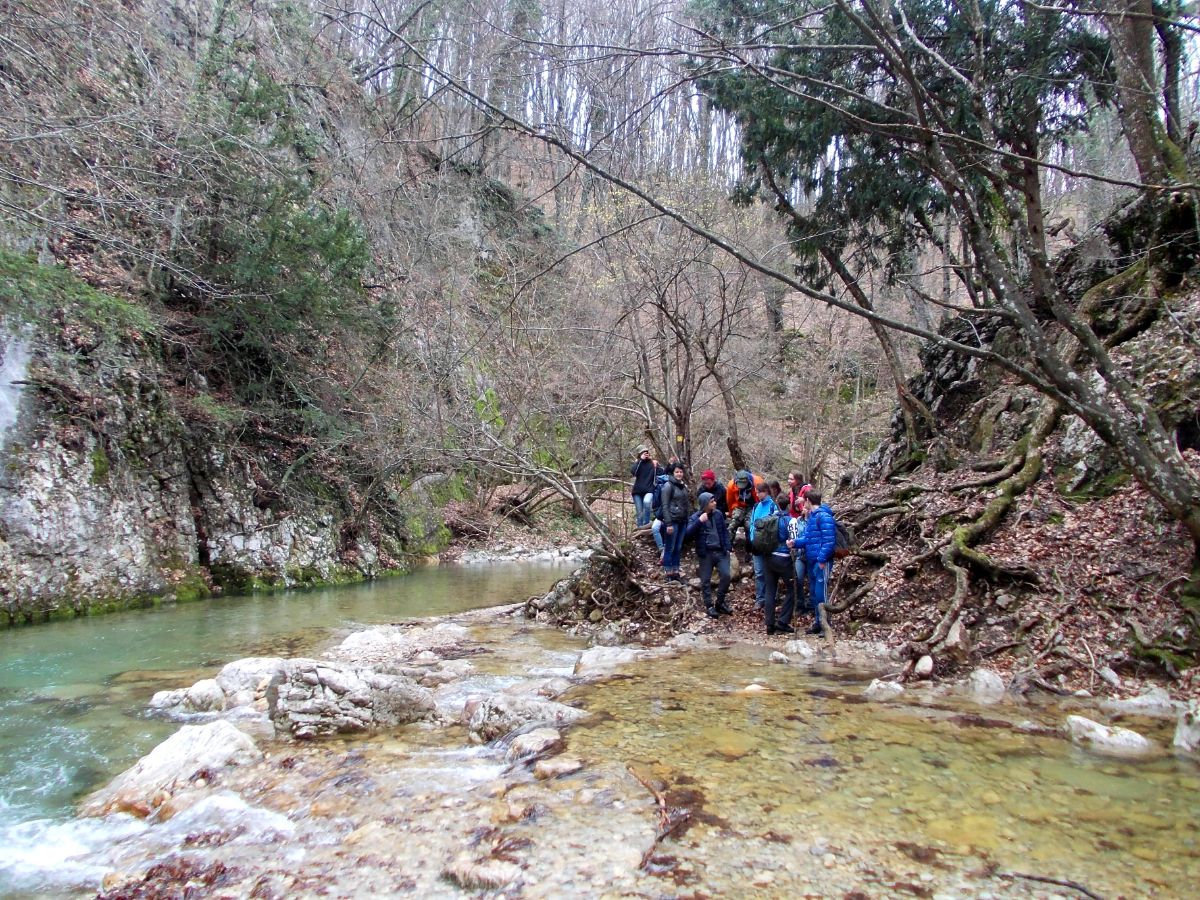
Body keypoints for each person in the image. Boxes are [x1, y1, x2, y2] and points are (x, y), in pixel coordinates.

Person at [685, 491, 732, 618]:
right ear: (705, 504)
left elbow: (724, 532)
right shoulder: (696, 517)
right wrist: (699, 521)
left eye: (714, 501)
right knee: (705, 581)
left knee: (726, 576)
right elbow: (687, 534)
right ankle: (709, 605)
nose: (715, 503)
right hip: (705, 553)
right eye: (712, 502)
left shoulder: (718, 515)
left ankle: (720, 602)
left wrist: (728, 547)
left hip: (720, 551)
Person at [798, 490, 837, 635]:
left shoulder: (824, 516)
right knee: (814, 593)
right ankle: (817, 622)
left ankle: (825, 624)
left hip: (821, 561)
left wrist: (822, 559)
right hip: (812, 560)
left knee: (821, 593)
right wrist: (794, 543)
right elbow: (808, 539)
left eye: (804, 500)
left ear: (808, 500)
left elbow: (829, 541)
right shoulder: (812, 517)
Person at [761, 495, 797, 635]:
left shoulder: (769, 519)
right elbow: (794, 542)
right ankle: (783, 621)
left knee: (770, 590)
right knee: (793, 587)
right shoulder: (791, 520)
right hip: (784, 559)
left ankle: (769, 624)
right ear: (789, 504)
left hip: (768, 558)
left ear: (777, 504)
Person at [748, 480, 782, 610]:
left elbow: (776, 525)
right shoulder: (756, 507)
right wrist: (752, 537)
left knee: (771, 572)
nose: (757, 495)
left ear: (766, 492)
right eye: (756, 492)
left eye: (759, 492)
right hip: (756, 545)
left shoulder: (773, 506)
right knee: (759, 572)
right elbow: (752, 523)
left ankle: (772, 597)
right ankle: (760, 598)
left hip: (769, 545)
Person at [659, 463, 692, 581]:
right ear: (672, 473)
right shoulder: (668, 486)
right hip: (672, 521)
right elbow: (665, 505)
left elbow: (685, 504)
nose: (679, 474)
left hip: (682, 520)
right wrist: (668, 523)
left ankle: (676, 570)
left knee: (678, 547)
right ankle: (668, 571)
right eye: (677, 472)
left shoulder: (682, 486)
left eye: (681, 472)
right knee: (670, 547)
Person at [725, 469, 764, 546]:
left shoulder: (758, 482)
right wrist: (731, 513)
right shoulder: (731, 485)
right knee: (733, 523)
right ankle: (727, 546)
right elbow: (730, 501)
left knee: (749, 525)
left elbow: (762, 500)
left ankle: (750, 547)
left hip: (754, 505)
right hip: (739, 505)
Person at [630, 446, 661, 528]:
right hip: (637, 491)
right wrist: (640, 460)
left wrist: (657, 465)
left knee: (647, 503)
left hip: (649, 489)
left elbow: (662, 473)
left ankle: (646, 525)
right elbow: (633, 472)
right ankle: (640, 530)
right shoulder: (638, 463)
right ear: (639, 454)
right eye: (643, 452)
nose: (645, 454)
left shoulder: (652, 463)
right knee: (639, 513)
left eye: (646, 452)